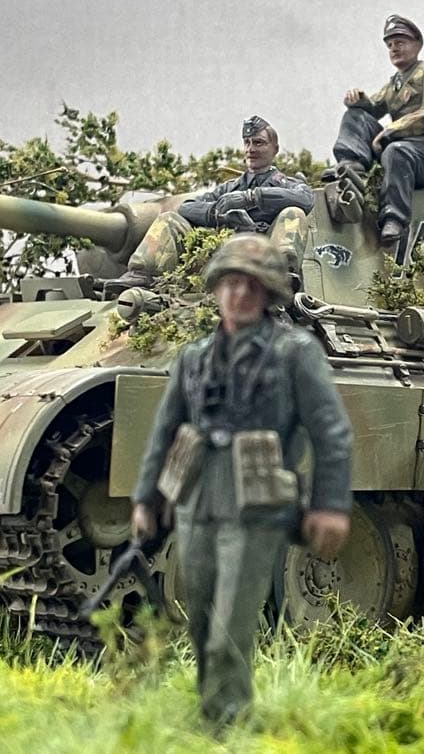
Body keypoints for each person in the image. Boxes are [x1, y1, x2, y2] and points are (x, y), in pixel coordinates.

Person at [130, 234, 352, 726]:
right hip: (196, 498)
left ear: (268, 292)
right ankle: (212, 711)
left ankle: (228, 725)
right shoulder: (194, 357)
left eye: (252, 285)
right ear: (216, 288)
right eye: (231, 283)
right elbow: (165, 430)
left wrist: (330, 504)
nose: (240, 294)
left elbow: (331, 432)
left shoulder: (295, 353)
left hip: (257, 502)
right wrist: (146, 498)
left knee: (230, 626)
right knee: (200, 617)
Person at [104, 116, 314, 294]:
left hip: (265, 256)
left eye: (258, 143)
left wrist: (251, 197)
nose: (251, 149)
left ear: (274, 149)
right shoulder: (228, 188)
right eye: (247, 142)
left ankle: (283, 277)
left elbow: (306, 199)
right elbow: (186, 207)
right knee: (170, 219)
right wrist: (217, 213)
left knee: (293, 213)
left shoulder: (286, 184)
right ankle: (141, 274)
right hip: (224, 257)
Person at [325, 14, 424, 245]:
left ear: (417, 44)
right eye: (390, 45)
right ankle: (351, 165)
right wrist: (359, 101)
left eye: (400, 42)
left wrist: (390, 131)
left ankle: (394, 219)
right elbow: (374, 107)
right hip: (396, 150)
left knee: (396, 150)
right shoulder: (395, 84)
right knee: (355, 116)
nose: (394, 49)